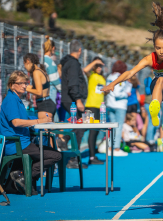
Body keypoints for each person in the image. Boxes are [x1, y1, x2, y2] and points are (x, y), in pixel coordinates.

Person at [102, 2, 163, 145]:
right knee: (161, 79)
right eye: (158, 48)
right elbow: (130, 73)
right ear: (154, 46)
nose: (161, 51)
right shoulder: (149, 58)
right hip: (159, 85)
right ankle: (154, 107)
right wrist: (113, 84)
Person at [0, 71, 61, 195]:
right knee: (56, 155)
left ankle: (22, 177)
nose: (24, 86)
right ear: (12, 85)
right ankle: (23, 176)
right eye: (20, 83)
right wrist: (40, 120)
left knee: (50, 152)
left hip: (23, 141)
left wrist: (41, 124)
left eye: (25, 83)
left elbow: (25, 121)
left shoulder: (16, 99)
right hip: (17, 144)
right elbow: (16, 122)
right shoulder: (11, 100)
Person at [59, 39, 88, 168]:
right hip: (72, 100)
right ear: (80, 50)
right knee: (81, 126)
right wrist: (78, 100)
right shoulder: (73, 64)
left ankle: (65, 140)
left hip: (69, 99)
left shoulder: (68, 62)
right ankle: (73, 158)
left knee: (80, 125)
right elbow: (73, 83)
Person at [104, 60, 131, 157]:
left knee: (112, 127)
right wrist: (126, 94)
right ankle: (116, 148)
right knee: (118, 127)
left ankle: (110, 147)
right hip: (119, 105)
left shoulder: (109, 76)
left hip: (110, 104)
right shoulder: (120, 77)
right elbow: (118, 93)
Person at [83, 56, 105, 164]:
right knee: (89, 131)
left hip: (99, 107)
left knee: (95, 132)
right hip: (91, 106)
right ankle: (91, 157)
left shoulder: (102, 77)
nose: (99, 67)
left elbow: (102, 91)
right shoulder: (91, 75)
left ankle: (93, 156)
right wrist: (95, 61)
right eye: (97, 65)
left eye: (101, 65)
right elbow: (85, 70)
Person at [24, 53, 56, 120]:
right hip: (47, 103)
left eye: (24, 64)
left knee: (45, 130)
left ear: (28, 62)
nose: (24, 67)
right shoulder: (41, 71)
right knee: (49, 129)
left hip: (44, 105)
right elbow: (40, 88)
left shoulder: (36, 72)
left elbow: (39, 92)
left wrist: (25, 88)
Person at [43, 36, 61, 106]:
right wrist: (61, 88)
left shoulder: (42, 59)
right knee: (52, 111)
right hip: (51, 89)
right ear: (53, 48)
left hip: (44, 88)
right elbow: (54, 79)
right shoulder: (50, 62)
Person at [143, 68, 157, 145]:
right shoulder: (149, 78)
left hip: (157, 103)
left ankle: (151, 137)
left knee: (156, 123)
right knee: (152, 122)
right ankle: (149, 139)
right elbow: (148, 91)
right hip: (149, 103)